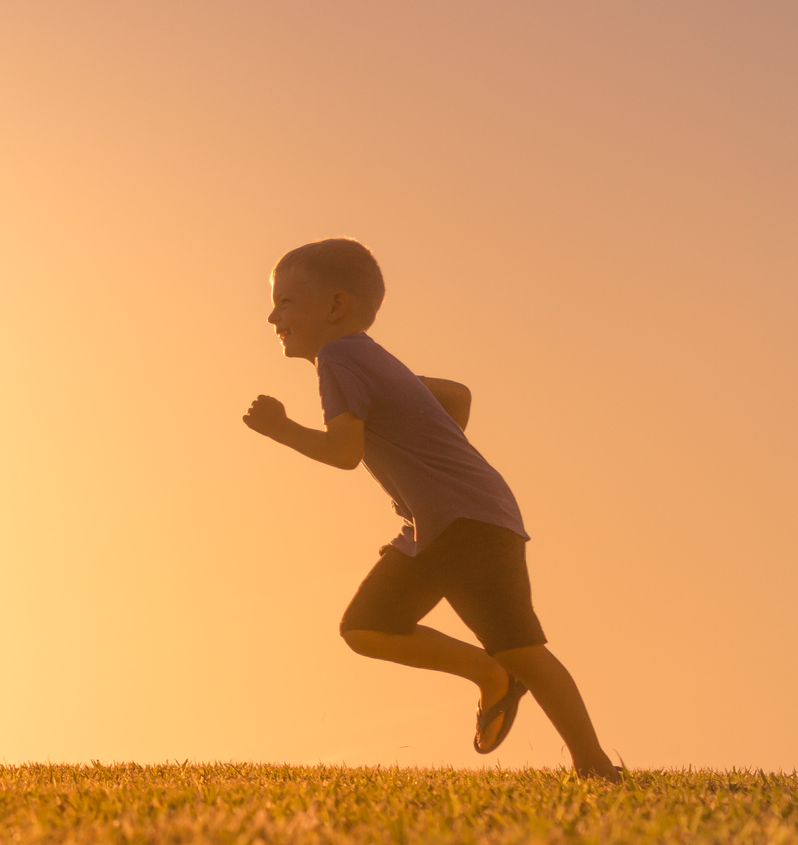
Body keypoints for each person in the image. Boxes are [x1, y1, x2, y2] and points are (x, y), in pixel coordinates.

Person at [241, 237, 620, 781]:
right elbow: (458, 396)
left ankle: (595, 767)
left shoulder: (338, 358)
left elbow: (344, 454)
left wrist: (282, 430)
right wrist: (429, 459)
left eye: (285, 302)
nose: (273, 315)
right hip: (444, 523)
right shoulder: (369, 359)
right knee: (369, 625)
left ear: (335, 307)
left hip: (467, 523)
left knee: (522, 647)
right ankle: (490, 675)